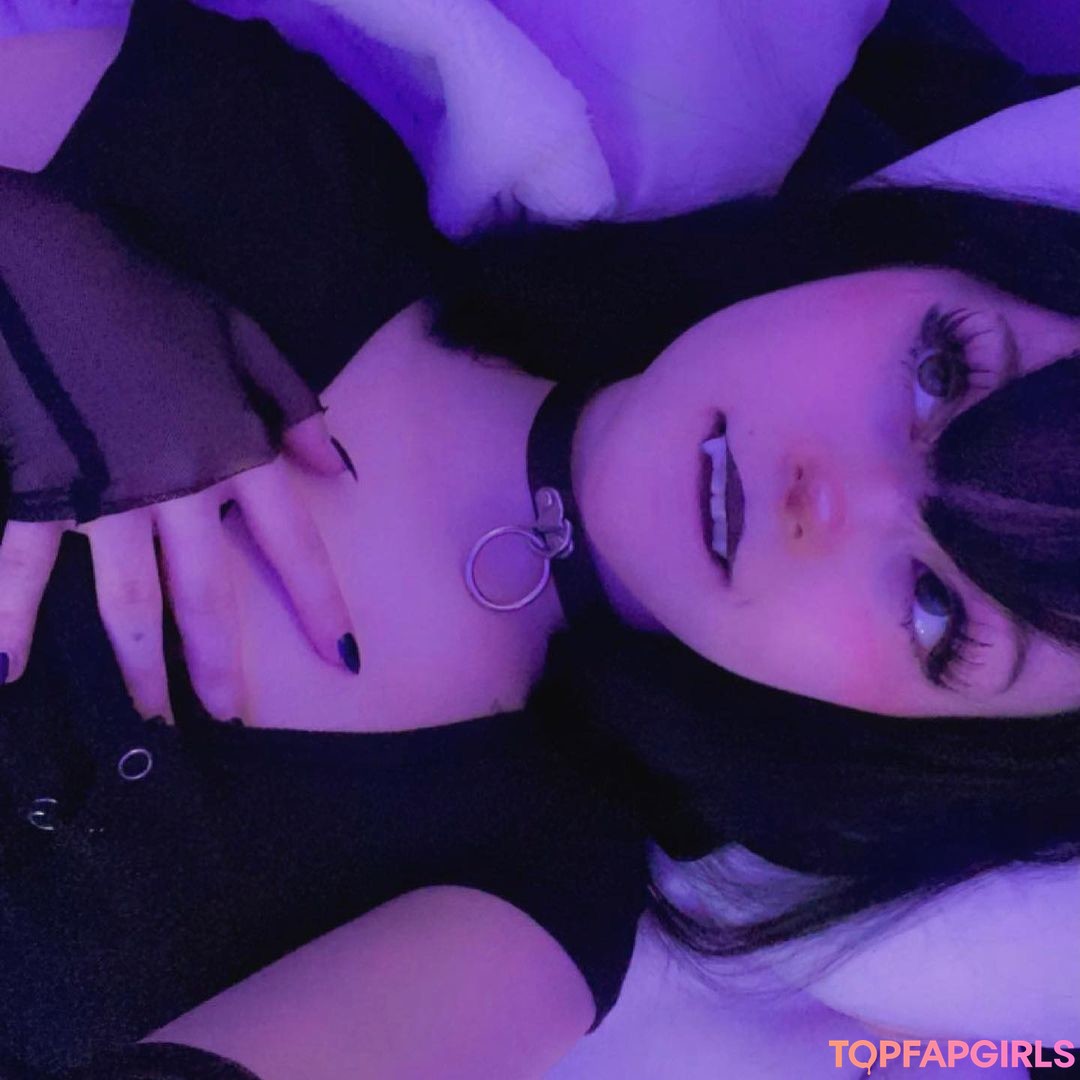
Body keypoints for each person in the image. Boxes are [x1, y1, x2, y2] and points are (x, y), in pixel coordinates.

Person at [0, 1, 1077, 1076]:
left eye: (939, 612)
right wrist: (39, 264)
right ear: (905, 260)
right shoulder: (262, 150)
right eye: (943, 370)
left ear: (916, 746)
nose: (825, 499)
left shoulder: (527, 907)